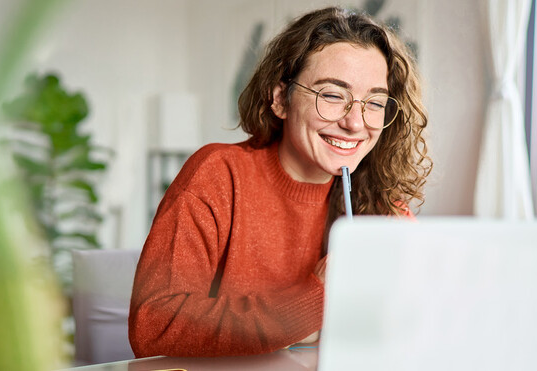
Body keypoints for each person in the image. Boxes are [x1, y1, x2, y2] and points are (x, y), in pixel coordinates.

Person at [128, 6, 430, 357]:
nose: (355, 123)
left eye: (374, 102)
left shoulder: (381, 204)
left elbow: (420, 325)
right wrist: (316, 297)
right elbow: (154, 325)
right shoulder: (218, 175)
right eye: (332, 95)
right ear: (280, 99)